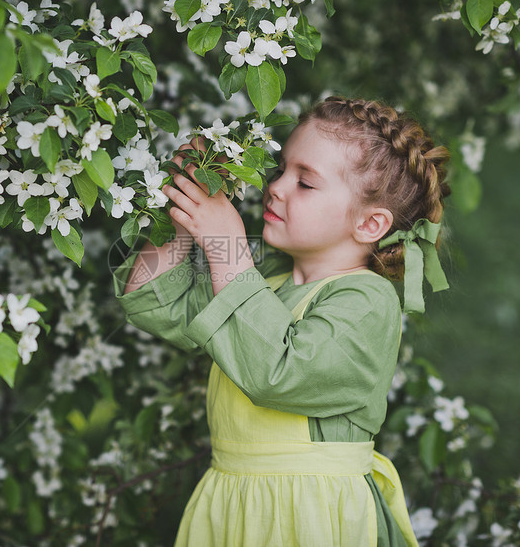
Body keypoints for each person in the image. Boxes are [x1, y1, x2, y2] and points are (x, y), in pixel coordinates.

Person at [112, 96, 451, 546]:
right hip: (233, 503)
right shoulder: (264, 289)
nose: (276, 187)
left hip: (308, 515)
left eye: (305, 183)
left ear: (370, 224)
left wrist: (222, 246)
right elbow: (151, 301)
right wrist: (183, 212)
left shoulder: (367, 301)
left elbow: (281, 372)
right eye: (280, 171)